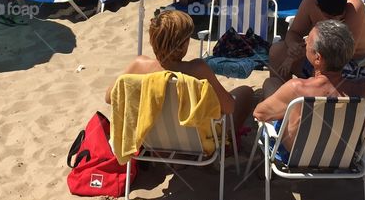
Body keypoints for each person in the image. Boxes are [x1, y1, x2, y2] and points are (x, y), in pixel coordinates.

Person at [104, 10, 255, 131]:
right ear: (183, 45)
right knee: (246, 92)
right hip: (197, 143)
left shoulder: (138, 65)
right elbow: (229, 107)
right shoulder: (197, 69)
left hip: (151, 138)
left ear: (152, 40)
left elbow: (109, 97)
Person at [256, 20, 365, 151]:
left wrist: (287, 111)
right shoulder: (364, 89)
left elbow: (259, 113)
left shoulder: (296, 88)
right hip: (342, 155)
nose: (304, 42)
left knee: (271, 83)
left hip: (298, 156)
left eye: (308, 41)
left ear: (318, 58)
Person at [267, 0, 365, 85]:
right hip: (320, 57)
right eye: (329, 17)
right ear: (317, 6)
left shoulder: (354, 8)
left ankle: (314, 93)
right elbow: (294, 32)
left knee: (324, 65)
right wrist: (293, 47)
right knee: (277, 52)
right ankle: (280, 92)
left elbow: (340, 53)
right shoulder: (310, 1)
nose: (335, 21)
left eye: (340, 18)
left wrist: (294, 57)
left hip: (355, 65)